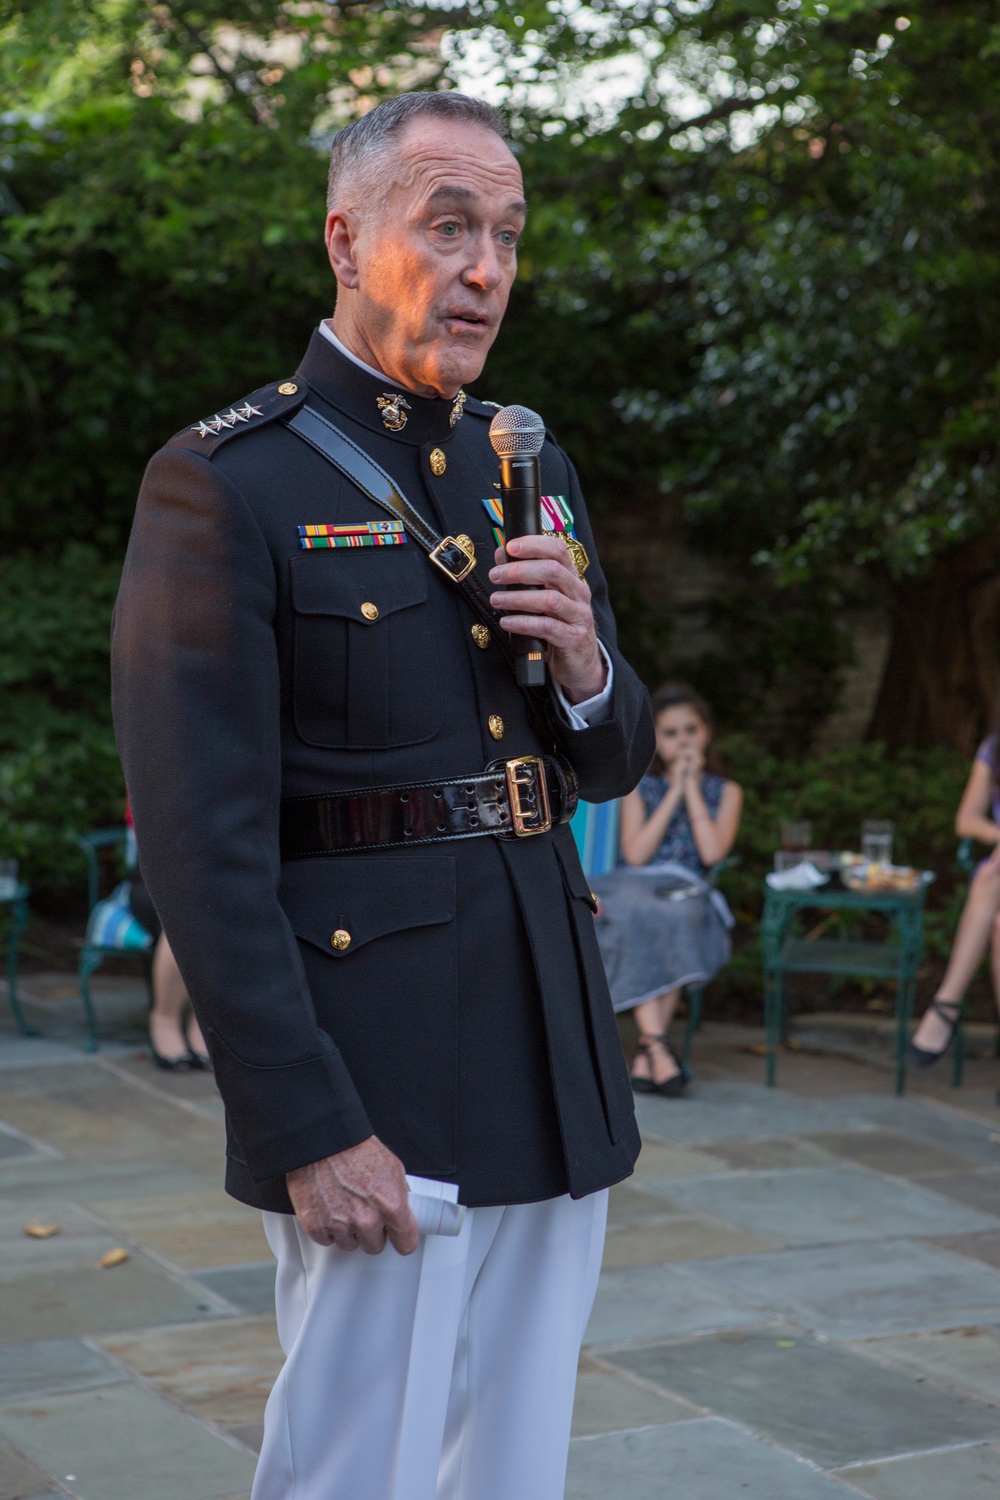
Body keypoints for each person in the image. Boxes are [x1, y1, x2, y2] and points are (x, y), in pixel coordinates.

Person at [111, 92, 654, 1500]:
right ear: (348, 241)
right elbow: (199, 848)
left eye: (509, 236)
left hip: (545, 1044)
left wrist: (588, 661)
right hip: (375, 1076)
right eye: (450, 225)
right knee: (359, 1469)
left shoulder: (525, 468)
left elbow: (604, 762)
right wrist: (305, 1123)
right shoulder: (226, 485)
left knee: (515, 1462)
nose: (487, 268)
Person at [592, 683, 742, 1096]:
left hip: (686, 888)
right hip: (633, 885)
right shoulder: (641, 787)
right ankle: (658, 1046)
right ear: (657, 740)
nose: (682, 741)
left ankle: (648, 1051)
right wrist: (672, 790)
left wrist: (691, 788)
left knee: (671, 918)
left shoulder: (726, 792)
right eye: (671, 733)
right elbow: (637, 855)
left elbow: (711, 853)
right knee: (644, 915)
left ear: (706, 733)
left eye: (690, 731)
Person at [908, 725, 1000, 1070]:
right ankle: (946, 1003)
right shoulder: (995, 747)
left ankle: (946, 1004)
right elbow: (966, 820)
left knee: (990, 878)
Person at [126, 800, 210, 1070]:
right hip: (157, 874)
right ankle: (165, 1018)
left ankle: (203, 1021)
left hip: (212, 873)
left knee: (218, 902)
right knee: (189, 909)